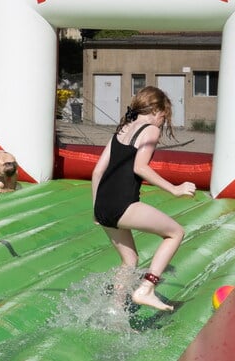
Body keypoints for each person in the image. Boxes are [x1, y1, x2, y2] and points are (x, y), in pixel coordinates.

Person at [91, 86, 196, 311]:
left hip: (102, 205)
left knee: (130, 260)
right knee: (175, 233)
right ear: (157, 110)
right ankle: (147, 288)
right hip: (122, 204)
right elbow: (140, 167)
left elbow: (97, 171)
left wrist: (95, 209)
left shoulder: (123, 128)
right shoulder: (150, 129)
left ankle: (115, 310)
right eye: (164, 116)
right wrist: (174, 189)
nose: (163, 122)